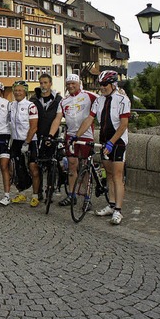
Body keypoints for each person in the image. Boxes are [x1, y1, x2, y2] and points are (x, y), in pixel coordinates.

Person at [74, 70, 131, 225]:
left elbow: (124, 125)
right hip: (104, 139)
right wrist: (76, 135)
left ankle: (118, 210)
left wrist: (112, 142)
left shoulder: (123, 99)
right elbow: (89, 119)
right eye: (100, 85)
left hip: (118, 141)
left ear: (113, 84)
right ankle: (111, 205)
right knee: (110, 175)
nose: (102, 87)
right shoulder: (98, 101)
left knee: (118, 176)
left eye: (105, 84)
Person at [48, 74, 97, 207]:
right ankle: (72, 195)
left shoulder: (90, 96)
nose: (70, 86)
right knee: (72, 165)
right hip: (70, 135)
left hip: (86, 135)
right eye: (68, 84)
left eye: (73, 84)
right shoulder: (64, 101)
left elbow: (103, 104)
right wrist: (50, 135)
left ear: (79, 83)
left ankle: (87, 197)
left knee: (86, 166)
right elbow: (58, 119)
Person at [29, 73, 62, 201]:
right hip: (36, 136)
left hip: (51, 135)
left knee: (50, 164)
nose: (43, 85)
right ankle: (38, 191)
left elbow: (59, 118)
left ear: (50, 84)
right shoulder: (33, 100)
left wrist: (52, 136)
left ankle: (50, 189)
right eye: (41, 83)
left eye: (45, 83)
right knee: (35, 164)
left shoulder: (58, 100)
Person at [9, 80, 42, 207]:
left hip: (30, 141)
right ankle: (21, 192)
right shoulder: (11, 105)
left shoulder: (30, 106)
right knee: (18, 168)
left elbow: (33, 127)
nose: (17, 92)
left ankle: (35, 195)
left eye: (20, 90)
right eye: (15, 90)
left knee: (33, 168)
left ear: (25, 92)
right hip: (16, 140)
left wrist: (27, 142)